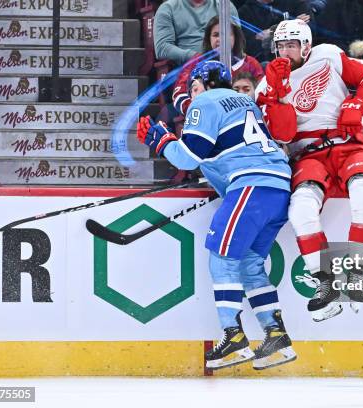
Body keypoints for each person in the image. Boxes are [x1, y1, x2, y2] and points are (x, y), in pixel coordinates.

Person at [137, 61, 296, 370]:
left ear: (205, 85)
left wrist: (161, 141)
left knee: (221, 256)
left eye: (194, 87)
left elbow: (188, 156)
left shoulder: (207, 102)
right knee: (250, 263)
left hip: (252, 185)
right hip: (277, 187)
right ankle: (276, 337)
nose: (191, 95)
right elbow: (225, 151)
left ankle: (234, 337)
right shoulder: (244, 101)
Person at [256, 19, 363, 321]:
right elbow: (285, 135)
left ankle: (359, 272)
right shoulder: (266, 84)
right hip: (309, 157)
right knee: (300, 209)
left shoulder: (328, 55)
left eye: (291, 45)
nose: (285, 52)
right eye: (280, 46)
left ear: (306, 45)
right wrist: (276, 95)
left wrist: (358, 102)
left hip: (349, 146)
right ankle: (324, 282)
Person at [172, 16, 264, 117]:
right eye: (216, 35)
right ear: (209, 38)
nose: (220, 40)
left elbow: (262, 96)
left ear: (235, 38)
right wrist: (199, 112)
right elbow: (179, 95)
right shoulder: (196, 62)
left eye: (226, 35)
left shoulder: (250, 64)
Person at [153, 0, 238, 65]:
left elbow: (238, 41)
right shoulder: (168, 8)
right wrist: (196, 57)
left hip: (225, 64)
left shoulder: (226, 6)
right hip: (188, 68)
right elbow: (162, 48)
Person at [238, 0, 313, 62]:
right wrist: (294, 24)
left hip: (301, 58)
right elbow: (251, 47)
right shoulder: (244, 12)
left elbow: (310, 29)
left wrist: (272, 31)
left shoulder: (296, 2)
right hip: (267, 65)